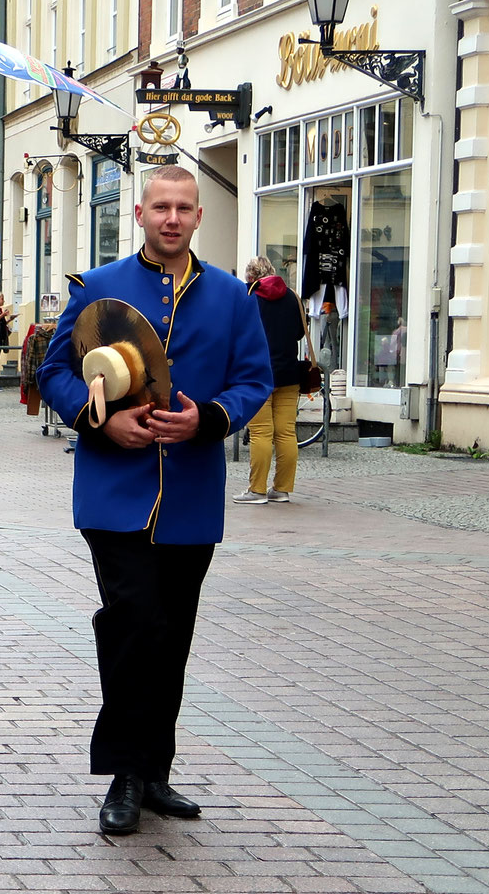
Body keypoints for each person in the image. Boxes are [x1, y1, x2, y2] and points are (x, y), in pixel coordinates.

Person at [37, 165, 272, 836]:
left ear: (199, 218)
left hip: (191, 496)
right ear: (138, 214)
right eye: (160, 207)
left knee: (171, 637)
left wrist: (211, 419)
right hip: (115, 493)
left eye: (184, 208)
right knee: (134, 624)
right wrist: (97, 417)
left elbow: (254, 380)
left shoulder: (233, 298)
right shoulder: (99, 288)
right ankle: (125, 771)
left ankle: (156, 769)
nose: (172, 218)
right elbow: (53, 371)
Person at [238, 256, 307, 505]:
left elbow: (238, 331)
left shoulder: (248, 296)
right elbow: (300, 332)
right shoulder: (292, 297)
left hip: (258, 374)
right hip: (289, 374)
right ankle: (282, 490)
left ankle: (256, 490)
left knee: (260, 433)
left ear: (250, 276)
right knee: (286, 433)